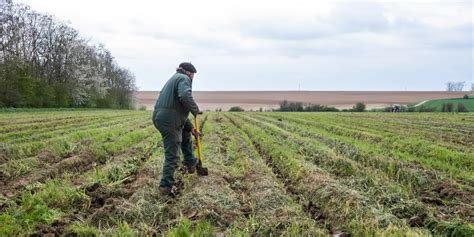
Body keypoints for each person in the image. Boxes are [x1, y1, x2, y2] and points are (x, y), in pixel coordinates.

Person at [152, 62, 201, 196]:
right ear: (190, 73)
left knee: (185, 133)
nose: (192, 79)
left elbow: (176, 109)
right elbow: (185, 96)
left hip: (162, 116)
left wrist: (191, 128)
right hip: (169, 119)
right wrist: (195, 109)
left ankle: (191, 163)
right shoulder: (184, 79)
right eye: (193, 76)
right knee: (173, 155)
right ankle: (165, 188)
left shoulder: (174, 78)